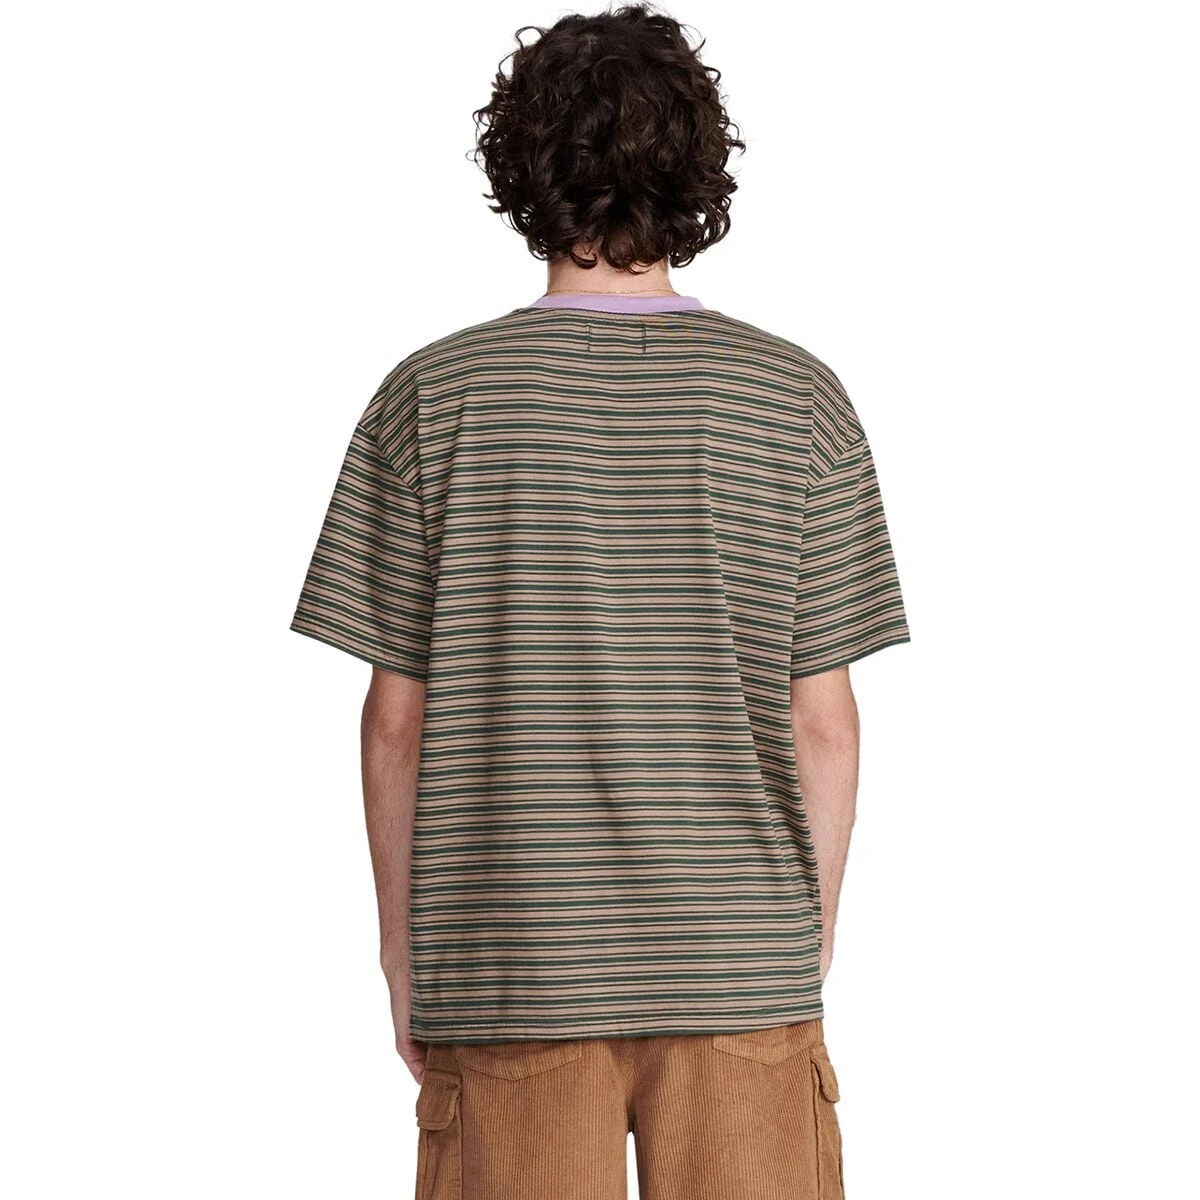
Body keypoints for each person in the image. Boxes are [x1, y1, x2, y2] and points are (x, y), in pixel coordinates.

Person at [290, 4, 910, 1197]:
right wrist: (803, 938)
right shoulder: (798, 400)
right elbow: (823, 719)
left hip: (510, 969)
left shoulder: (433, 397)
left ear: (521, 163)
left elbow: (395, 723)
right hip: (739, 963)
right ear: (698, 168)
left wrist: (401, 952)